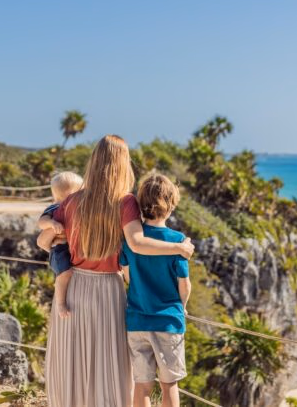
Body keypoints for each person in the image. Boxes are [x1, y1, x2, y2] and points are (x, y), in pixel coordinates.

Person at [38, 135, 194, 407]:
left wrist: (59, 236)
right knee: (108, 363)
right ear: (123, 164)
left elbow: (43, 243)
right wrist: (179, 249)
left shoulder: (72, 201)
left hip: (75, 286)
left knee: (74, 360)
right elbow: (136, 242)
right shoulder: (125, 202)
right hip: (108, 288)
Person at [119, 174, 191, 407]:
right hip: (167, 321)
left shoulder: (129, 240)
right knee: (169, 384)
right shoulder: (177, 240)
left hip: (137, 320)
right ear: (170, 205)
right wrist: (184, 305)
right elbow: (184, 283)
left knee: (142, 385)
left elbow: (127, 275)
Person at [37, 171, 83, 318]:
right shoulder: (55, 207)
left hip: (67, 248)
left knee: (70, 273)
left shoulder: (76, 209)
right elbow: (41, 222)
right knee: (65, 274)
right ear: (70, 194)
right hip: (59, 250)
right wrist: (52, 223)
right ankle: (60, 304)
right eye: (80, 192)